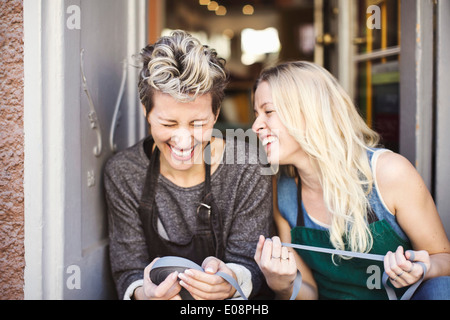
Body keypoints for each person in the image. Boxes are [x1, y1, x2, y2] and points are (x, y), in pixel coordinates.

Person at [252, 61, 450, 300]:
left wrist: (423, 268)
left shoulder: (389, 173)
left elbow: (443, 258)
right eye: (256, 114)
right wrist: (282, 284)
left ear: (309, 112)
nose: (255, 126)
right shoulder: (282, 192)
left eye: (268, 112)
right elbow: (309, 293)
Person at [104, 30, 273, 300]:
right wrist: (146, 295)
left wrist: (230, 281)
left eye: (198, 124)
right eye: (168, 124)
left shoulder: (247, 168)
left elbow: (251, 263)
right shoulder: (124, 173)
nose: (183, 140)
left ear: (216, 114)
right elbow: (128, 272)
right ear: (146, 112)